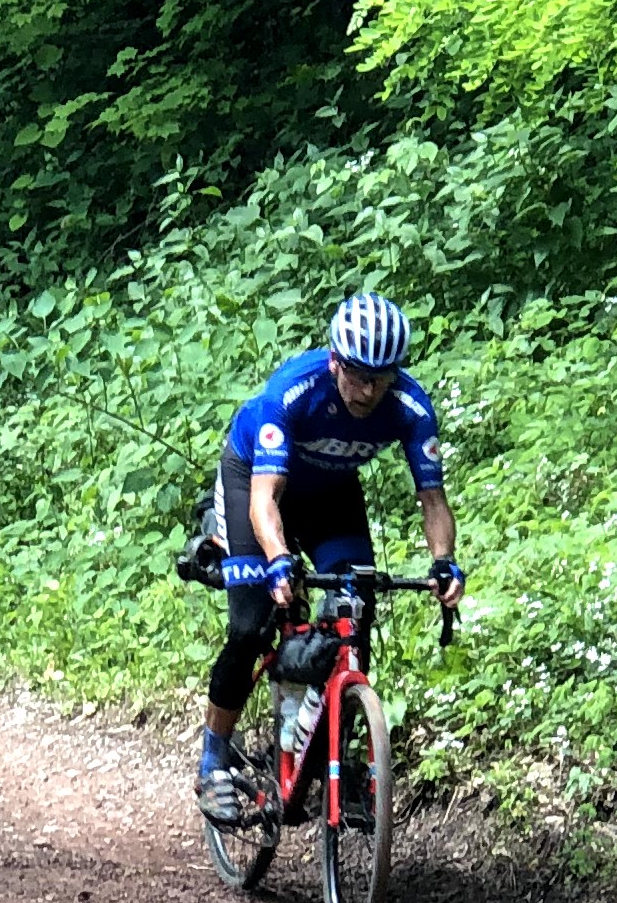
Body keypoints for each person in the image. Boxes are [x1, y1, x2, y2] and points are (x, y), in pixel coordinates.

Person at [196, 292, 462, 813]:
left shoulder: (410, 407)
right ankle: (213, 760)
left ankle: (330, 752)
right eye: (359, 376)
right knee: (250, 626)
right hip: (256, 480)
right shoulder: (292, 393)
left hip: (331, 494)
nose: (369, 391)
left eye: (382, 379)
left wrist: (443, 562)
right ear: (336, 361)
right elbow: (265, 500)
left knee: (356, 611)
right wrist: (278, 559)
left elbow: (433, 499)